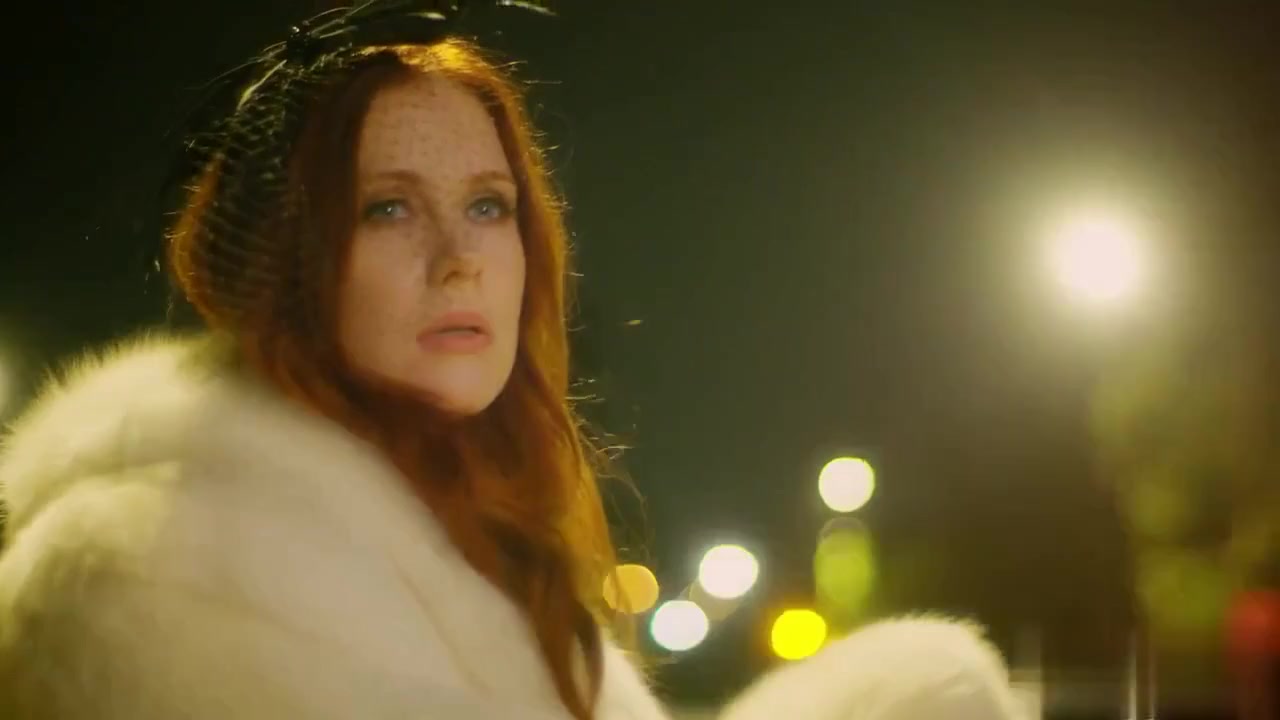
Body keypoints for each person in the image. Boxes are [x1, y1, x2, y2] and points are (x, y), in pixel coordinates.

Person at [0, 2, 1027, 718]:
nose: (459, 259)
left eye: (488, 206)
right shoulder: (140, 574)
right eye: (387, 207)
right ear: (288, 262)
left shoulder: (479, 542)